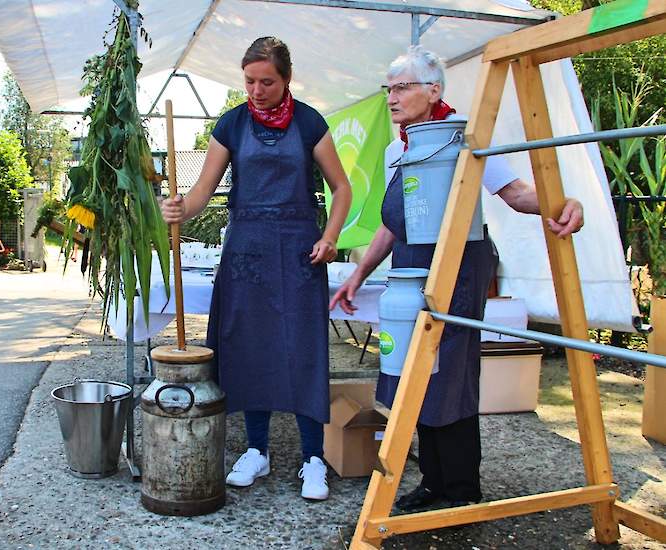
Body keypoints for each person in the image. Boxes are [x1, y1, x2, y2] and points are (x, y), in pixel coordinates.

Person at [330, 46, 584, 511]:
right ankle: (433, 483)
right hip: (412, 267)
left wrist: (561, 203)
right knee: (415, 371)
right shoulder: (396, 149)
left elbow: (515, 192)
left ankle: (461, 490)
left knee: (450, 375)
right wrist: (360, 274)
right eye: (389, 88)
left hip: (460, 267)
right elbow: (394, 221)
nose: (392, 97)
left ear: (434, 89)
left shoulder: (464, 137)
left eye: (402, 87)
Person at [160, 37, 353, 501]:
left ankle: (312, 457)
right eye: (249, 81)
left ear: (286, 79)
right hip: (246, 251)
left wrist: (330, 237)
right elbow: (203, 191)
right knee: (250, 349)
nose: (257, 90)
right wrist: (179, 209)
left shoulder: (309, 122)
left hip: (299, 252)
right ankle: (257, 451)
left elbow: (342, 188)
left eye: (267, 81)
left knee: (302, 350)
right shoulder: (231, 124)